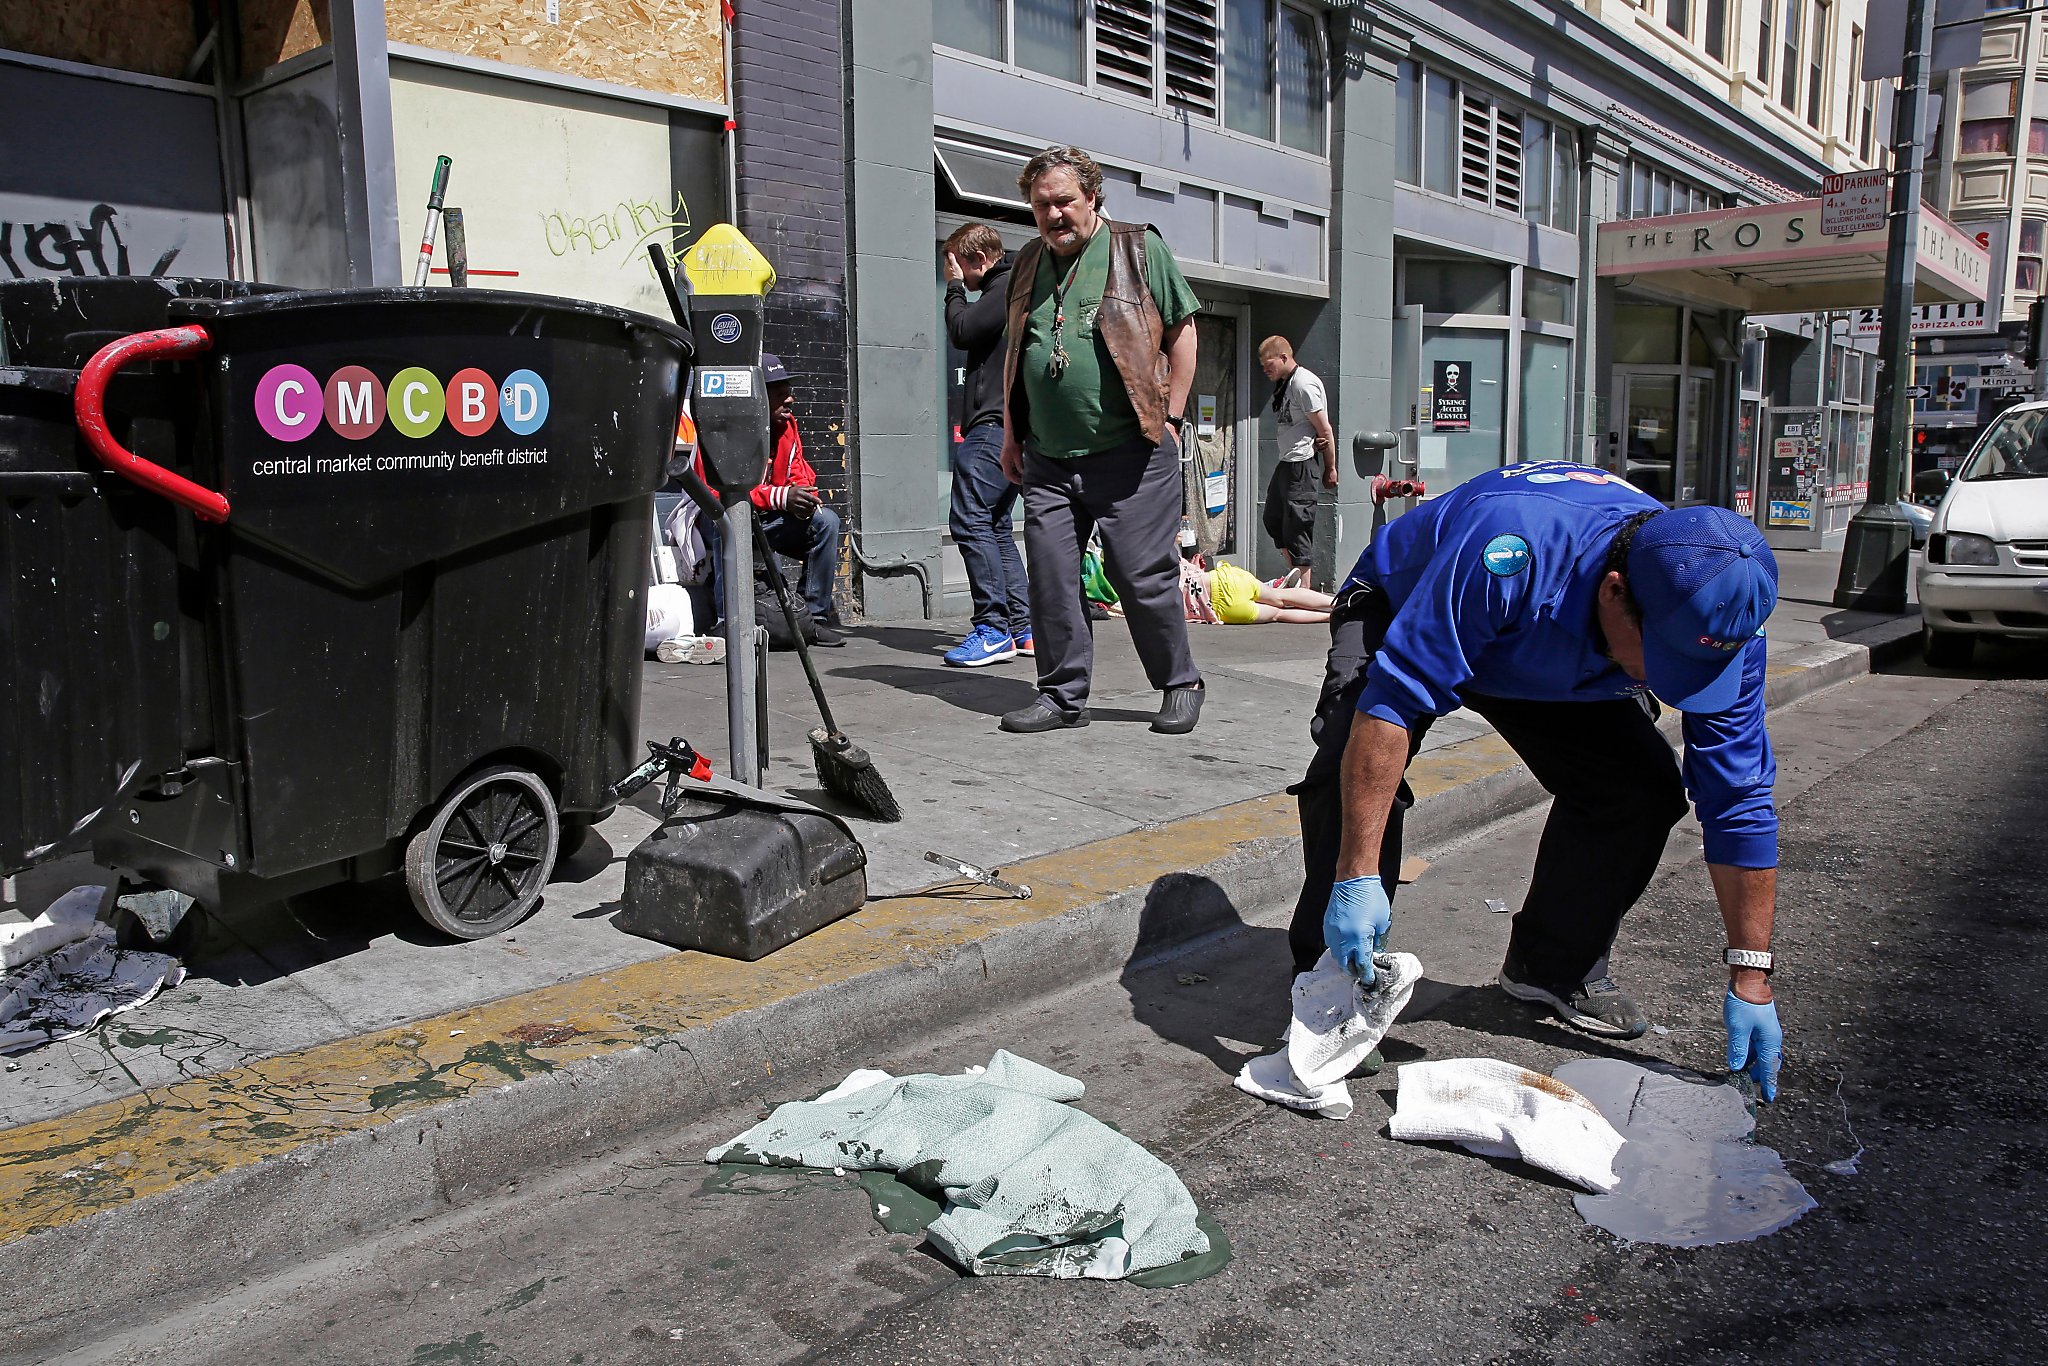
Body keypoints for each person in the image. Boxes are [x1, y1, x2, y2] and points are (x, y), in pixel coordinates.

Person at [1293, 462, 1786, 1100]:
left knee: (1637, 787)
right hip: (1414, 601)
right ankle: (1332, 985)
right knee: (1347, 773)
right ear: (1613, 593)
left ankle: (1549, 965)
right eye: (1668, 663)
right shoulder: (1511, 548)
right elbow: (1393, 704)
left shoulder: (1722, 613)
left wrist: (1752, 975)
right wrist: (1356, 874)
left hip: (1552, 652)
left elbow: (1739, 801)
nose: (1680, 687)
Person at [997, 145, 1205, 736]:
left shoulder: (1137, 249)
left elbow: (1183, 329)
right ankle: (1062, 696)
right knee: (1053, 577)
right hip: (1048, 456)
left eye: (1065, 201)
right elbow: (1017, 355)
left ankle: (1180, 682)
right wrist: (1013, 438)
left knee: (1142, 576)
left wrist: (1171, 414)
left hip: (1132, 450)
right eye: (1042, 206)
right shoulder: (1029, 263)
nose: (1055, 215)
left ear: (1092, 197)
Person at [942, 223, 1032, 667]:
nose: (953, 273)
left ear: (979, 259)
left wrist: (954, 288)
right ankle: (1021, 627)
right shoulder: (1010, 288)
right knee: (994, 523)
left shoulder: (1005, 288)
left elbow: (962, 330)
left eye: (957, 263)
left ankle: (993, 629)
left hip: (994, 425)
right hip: (1004, 425)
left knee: (969, 516)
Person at [756, 353, 845, 647]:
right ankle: (723, 620)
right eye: (779, 394)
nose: (789, 399)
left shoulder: (787, 426)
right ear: (756, 395)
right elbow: (720, 492)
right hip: (733, 521)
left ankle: (813, 621)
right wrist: (784, 497)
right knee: (726, 520)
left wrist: (807, 495)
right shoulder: (733, 428)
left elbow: (799, 473)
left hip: (771, 518)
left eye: (789, 392)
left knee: (826, 521)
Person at [1257, 337, 1336, 590]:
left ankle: (1304, 590)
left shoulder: (1304, 383)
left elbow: (1324, 428)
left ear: (1283, 358)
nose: (1265, 370)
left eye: (1268, 364)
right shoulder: (1286, 384)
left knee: (1298, 526)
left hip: (1302, 463)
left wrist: (1331, 467)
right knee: (1273, 518)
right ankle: (1295, 579)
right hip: (1287, 462)